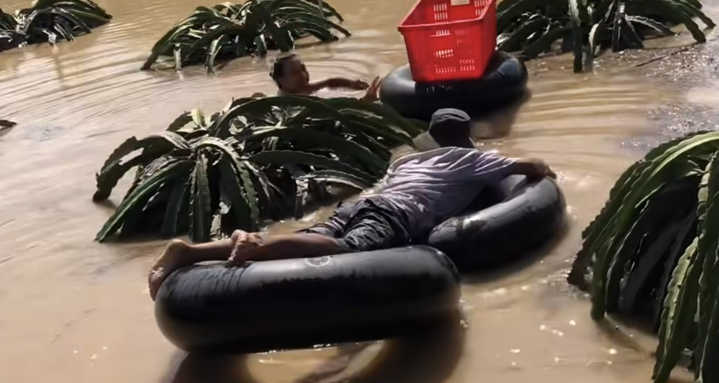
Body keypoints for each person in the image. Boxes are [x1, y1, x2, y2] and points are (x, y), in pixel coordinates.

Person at [149, 108, 556, 299]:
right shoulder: (471, 159)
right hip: (395, 215)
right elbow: (532, 166)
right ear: (465, 138)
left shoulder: (408, 160)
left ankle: (192, 251)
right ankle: (254, 245)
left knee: (312, 237)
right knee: (344, 251)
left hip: (363, 204)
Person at [271, 53, 381, 101]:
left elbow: (329, 82)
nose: (302, 75)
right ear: (281, 80)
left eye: (303, 69)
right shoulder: (289, 100)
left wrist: (352, 84)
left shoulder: (299, 88)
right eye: (294, 73)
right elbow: (331, 108)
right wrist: (364, 102)